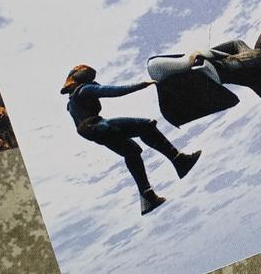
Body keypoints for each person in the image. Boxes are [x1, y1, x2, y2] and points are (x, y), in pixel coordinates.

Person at [61, 63, 201, 215]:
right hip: (99, 126)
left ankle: (147, 197)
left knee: (131, 151)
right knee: (146, 126)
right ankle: (179, 161)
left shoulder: (71, 101)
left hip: (96, 134)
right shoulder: (83, 90)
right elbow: (112, 91)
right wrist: (142, 85)